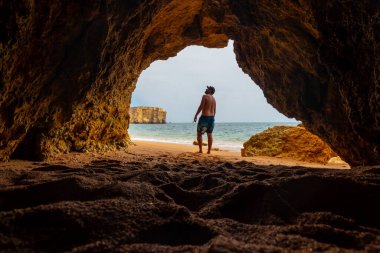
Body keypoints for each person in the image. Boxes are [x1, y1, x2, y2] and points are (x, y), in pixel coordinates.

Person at [194, 86, 216, 154]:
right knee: (209, 134)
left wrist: (196, 115)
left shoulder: (205, 96)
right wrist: (212, 118)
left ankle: (200, 150)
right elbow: (215, 111)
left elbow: (201, 106)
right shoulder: (214, 99)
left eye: (208, 88)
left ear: (210, 91)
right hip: (211, 118)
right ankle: (209, 151)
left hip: (205, 117)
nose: (206, 89)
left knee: (199, 134)